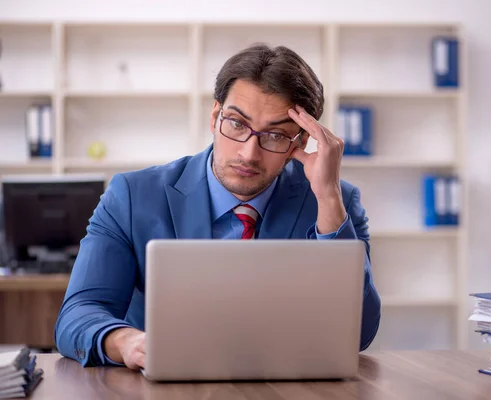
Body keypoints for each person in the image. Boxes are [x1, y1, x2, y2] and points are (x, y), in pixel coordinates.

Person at [54, 44, 381, 369]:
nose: (249, 153)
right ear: (215, 117)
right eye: (237, 124)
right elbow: (78, 314)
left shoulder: (336, 202)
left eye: (276, 135)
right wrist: (126, 342)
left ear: (300, 142)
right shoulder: (131, 196)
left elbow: (359, 334)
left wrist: (328, 199)